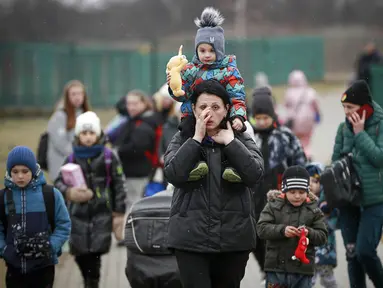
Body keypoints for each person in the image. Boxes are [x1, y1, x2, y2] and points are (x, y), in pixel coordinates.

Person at [163, 79, 264, 288]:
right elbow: (173, 173)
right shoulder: (183, 137)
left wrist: (231, 143)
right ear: (193, 108)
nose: (208, 112)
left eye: (216, 107)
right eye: (202, 107)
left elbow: (255, 174)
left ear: (227, 109)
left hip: (234, 240)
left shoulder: (241, 138)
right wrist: (196, 139)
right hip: (190, 240)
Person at [167, 7, 248, 183]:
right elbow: (183, 95)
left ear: (219, 50)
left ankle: (231, 167)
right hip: (193, 115)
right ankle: (194, 164)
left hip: (221, 115)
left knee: (229, 136)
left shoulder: (229, 71)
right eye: (202, 51)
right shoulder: (190, 70)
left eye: (211, 51)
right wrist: (174, 87)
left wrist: (238, 117)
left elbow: (237, 96)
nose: (206, 55)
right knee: (188, 132)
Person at [54, 111, 126, 288]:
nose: (87, 137)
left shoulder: (109, 157)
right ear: (78, 135)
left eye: (91, 133)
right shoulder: (71, 158)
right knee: (79, 254)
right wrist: (69, 192)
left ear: (98, 134)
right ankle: (88, 279)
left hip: (101, 214)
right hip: (77, 215)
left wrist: (119, 211)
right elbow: (58, 182)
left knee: (95, 256)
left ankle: (91, 282)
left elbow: (118, 185)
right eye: (84, 133)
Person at [250, 86, 307, 285]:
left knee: (276, 239)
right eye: (258, 118)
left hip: (280, 197)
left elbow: (300, 163)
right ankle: (267, 269)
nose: (263, 122)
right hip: (254, 198)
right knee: (255, 240)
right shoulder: (249, 138)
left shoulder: (285, 136)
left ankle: (276, 273)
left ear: (273, 115)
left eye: (266, 118)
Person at [332, 79, 383, 288]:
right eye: (344, 107)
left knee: (365, 251)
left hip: (375, 200)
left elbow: (379, 158)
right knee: (352, 255)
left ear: (365, 107)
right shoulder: (343, 129)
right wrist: (326, 200)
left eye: (350, 107)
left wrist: (360, 133)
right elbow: (334, 168)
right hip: (347, 201)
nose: (346, 112)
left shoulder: (380, 125)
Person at [0, 146, 71, 288]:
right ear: (9, 172)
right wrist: (5, 250)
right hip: (14, 269)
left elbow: (64, 225)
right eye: (15, 172)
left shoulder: (51, 195)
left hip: (44, 269)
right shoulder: (2, 198)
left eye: (25, 171)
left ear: (33, 170)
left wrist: (50, 246)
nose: (20, 176)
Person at [257, 165, 328, 288]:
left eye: (301, 192)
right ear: (284, 190)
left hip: (303, 272)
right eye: (292, 192)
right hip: (276, 269)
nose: (297, 196)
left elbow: (322, 236)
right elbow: (261, 229)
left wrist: (308, 232)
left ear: (307, 191)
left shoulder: (313, 210)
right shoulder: (273, 206)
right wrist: (282, 231)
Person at [47, 80, 91, 181]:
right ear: (67, 97)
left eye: (80, 93)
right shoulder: (59, 116)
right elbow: (62, 145)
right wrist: (82, 153)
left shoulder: (86, 114)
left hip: (82, 168)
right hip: (62, 168)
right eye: (73, 94)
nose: (77, 97)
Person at [306, 163, 338, 288]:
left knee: (328, 280)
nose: (310, 184)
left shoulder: (327, 203)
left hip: (325, 250)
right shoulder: (302, 202)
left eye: (315, 181)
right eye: (307, 181)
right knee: (307, 281)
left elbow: (334, 223)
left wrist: (327, 211)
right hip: (307, 253)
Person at [283, 70, 321, 160]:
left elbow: (286, 106)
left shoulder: (289, 92)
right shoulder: (310, 91)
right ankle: (307, 154)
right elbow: (316, 106)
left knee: (296, 139)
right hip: (308, 120)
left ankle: (298, 155)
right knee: (307, 140)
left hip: (294, 122)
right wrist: (318, 116)